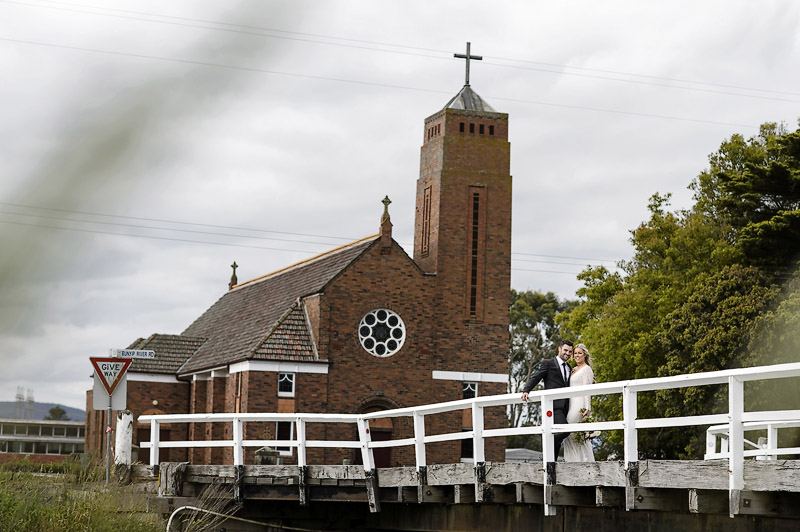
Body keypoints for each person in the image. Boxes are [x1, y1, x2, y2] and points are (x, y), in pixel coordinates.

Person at [521, 340, 574, 457]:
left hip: (566, 407)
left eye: (570, 351)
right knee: (565, 431)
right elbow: (536, 377)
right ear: (559, 349)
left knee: (558, 440)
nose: (568, 353)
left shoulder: (569, 367)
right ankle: (545, 451)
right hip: (553, 406)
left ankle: (552, 463)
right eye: (565, 350)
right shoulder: (548, 363)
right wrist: (526, 390)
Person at [563, 343, 595, 462]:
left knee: (576, 435)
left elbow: (588, 390)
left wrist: (587, 408)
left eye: (579, 353)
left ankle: (584, 462)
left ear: (584, 355)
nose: (576, 355)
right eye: (575, 353)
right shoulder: (574, 369)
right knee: (569, 435)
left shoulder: (586, 369)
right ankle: (571, 461)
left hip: (579, 405)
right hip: (571, 405)